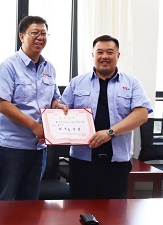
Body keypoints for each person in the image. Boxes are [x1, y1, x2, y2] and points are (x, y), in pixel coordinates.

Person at [61, 35, 151, 199]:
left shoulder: (131, 83)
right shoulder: (76, 83)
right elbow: (62, 113)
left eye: (110, 52)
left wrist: (110, 132)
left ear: (118, 55)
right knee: (79, 208)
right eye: (99, 52)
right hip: (82, 161)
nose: (104, 56)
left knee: (115, 211)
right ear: (93, 55)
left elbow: (141, 115)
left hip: (117, 162)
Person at [0, 15, 66, 201]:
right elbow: (2, 105)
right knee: (4, 201)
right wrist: (33, 125)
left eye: (44, 33)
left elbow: (53, 98)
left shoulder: (49, 68)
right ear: (22, 36)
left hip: (39, 148)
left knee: (29, 202)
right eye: (35, 33)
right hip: (12, 146)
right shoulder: (8, 66)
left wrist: (58, 106)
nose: (40, 37)